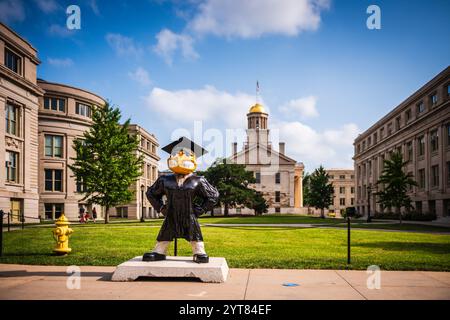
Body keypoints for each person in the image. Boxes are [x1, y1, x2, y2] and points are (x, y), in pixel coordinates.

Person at [143, 137, 219, 263]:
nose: (180, 156)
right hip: (171, 213)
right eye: (177, 153)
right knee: (165, 232)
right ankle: (159, 252)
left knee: (194, 233)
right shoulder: (165, 180)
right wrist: (161, 207)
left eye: (186, 153)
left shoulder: (198, 180)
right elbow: (151, 193)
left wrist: (202, 208)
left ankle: (199, 252)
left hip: (189, 214)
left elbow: (213, 195)